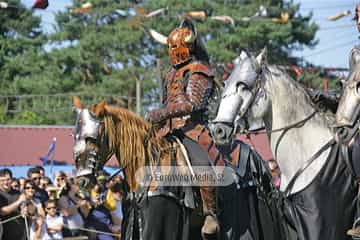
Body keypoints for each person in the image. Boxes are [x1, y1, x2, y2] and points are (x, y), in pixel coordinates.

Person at [146, 19, 219, 238]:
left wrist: (162, 113)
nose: (174, 52)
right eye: (171, 48)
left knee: (201, 162)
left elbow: (192, 104)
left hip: (192, 128)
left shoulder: (199, 70)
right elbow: (165, 101)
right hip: (167, 129)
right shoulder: (171, 73)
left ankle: (210, 213)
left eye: (177, 47)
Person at [0, 168, 27, 240]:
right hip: (4, 235)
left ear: (11, 179)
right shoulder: (0, 195)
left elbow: (24, 208)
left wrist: (24, 210)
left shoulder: (18, 193)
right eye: (2, 180)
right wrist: (19, 202)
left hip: (21, 234)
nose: (5, 182)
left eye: (8, 179)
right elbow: (3, 212)